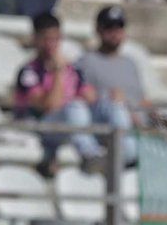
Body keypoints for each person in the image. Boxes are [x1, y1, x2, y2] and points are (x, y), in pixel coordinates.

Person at [15, 12, 102, 165]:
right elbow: (51, 106)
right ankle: (90, 154)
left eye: (55, 39)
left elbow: (91, 99)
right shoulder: (29, 72)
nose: (51, 44)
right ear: (35, 38)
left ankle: (126, 154)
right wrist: (57, 72)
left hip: (69, 126)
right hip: (41, 127)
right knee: (75, 106)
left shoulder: (72, 69)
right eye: (46, 39)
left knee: (107, 105)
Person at [74, 5, 149, 159]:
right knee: (115, 106)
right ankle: (129, 156)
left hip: (136, 125)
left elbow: (142, 100)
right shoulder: (86, 61)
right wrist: (116, 102)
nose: (114, 32)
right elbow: (83, 99)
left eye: (119, 27)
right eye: (109, 27)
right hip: (107, 125)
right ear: (98, 29)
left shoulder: (130, 63)